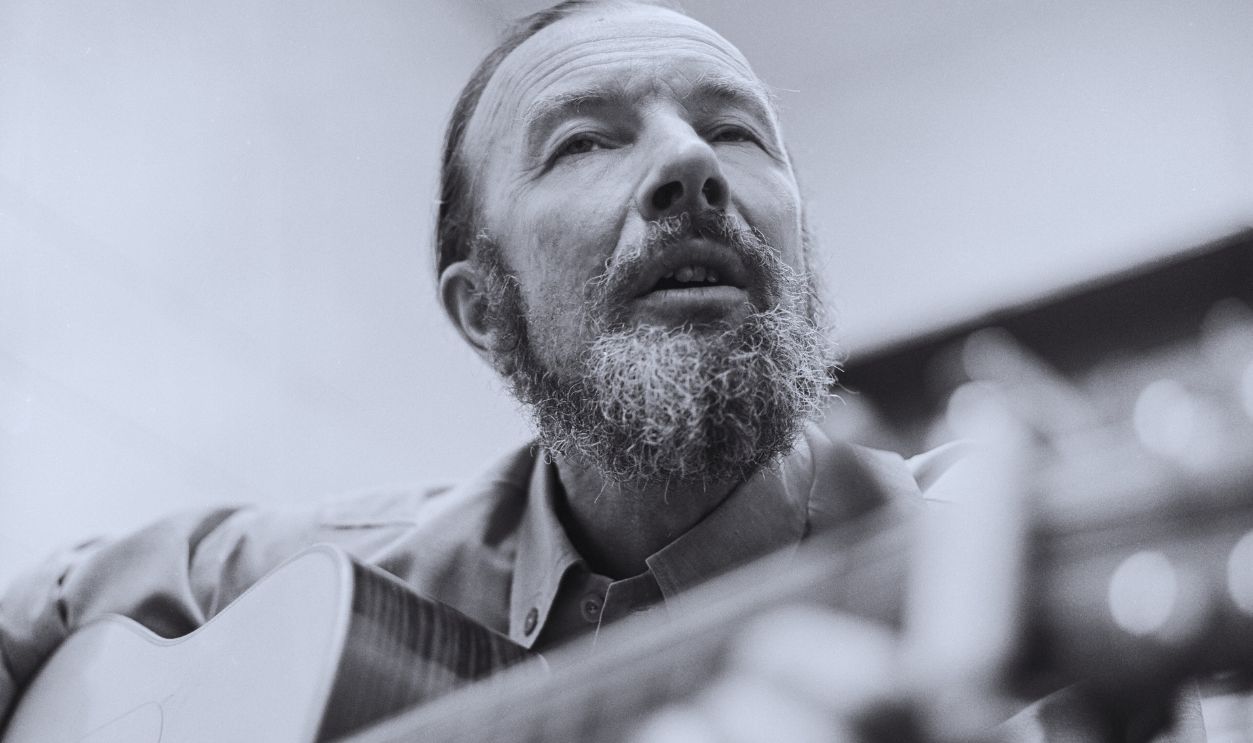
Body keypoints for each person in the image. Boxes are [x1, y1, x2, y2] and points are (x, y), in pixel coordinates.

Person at [0, 1, 1198, 741]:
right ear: (485, 312)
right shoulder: (312, 581)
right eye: (583, 140)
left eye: (733, 130)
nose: (689, 165)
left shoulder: (973, 551)